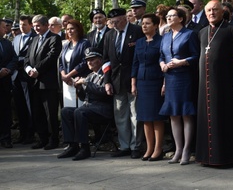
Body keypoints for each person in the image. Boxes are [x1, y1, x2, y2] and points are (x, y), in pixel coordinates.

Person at [196, 0, 233, 167]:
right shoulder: (202, 32)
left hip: (225, 85)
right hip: (205, 86)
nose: (212, 13)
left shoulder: (232, 30)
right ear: (205, 13)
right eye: (209, 10)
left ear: (222, 12)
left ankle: (228, 157)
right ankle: (207, 157)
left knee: (226, 119)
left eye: (215, 10)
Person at [159, 7, 199, 165]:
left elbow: (197, 56)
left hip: (184, 78)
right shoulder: (166, 36)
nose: (168, 18)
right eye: (167, 16)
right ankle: (178, 149)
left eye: (172, 16)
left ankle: (187, 150)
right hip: (169, 78)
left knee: (185, 114)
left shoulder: (189, 34)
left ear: (181, 18)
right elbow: (161, 55)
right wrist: (162, 64)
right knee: (173, 115)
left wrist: (182, 62)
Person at [58, 47, 114, 161]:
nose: (89, 62)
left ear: (100, 60)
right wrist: (79, 88)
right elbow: (85, 98)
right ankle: (72, 145)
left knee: (80, 112)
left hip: (103, 109)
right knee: (66, 111)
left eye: (92, 59)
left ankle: (84, 147)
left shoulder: (106, 74)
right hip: (90, 108)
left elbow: (104, 92)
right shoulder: (90, 75)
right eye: (88, 60)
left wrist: (86, 83)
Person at [103, 8, 145, 158]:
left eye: (115, 22)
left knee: (135, 114)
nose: (113, 25)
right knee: (120, 114)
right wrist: (107, 81)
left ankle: (136, 146)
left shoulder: (137, 31)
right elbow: (106, 60)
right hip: (116, 81)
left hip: (133, 80)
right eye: (111, 22)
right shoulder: (109, 35)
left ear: (124, 19)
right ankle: (125, 145)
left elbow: (141, 56)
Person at [131, 13, 166, 161]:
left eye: (147, 23)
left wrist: (165, 83)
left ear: (156, 25)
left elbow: (164, 60)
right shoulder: (139, 42)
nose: (144, 26)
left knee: (156, 117)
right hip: (141, 82)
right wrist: (133, 83)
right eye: (143, 23)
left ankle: (158, 149)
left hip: (156, 81)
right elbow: (135, 63)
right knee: (145, 117)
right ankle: (149, 148)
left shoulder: (162, 41)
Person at [24, 14, 62, 150]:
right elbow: (27, 57)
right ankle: (42, 138)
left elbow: (52, 56)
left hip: (48, 82)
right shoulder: (34, 40)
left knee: (50, 113)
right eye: (34, 26)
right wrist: (28, 69)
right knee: (37, 112)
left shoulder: (54, 38)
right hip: (34, 82)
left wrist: (37, 69)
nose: (36, 28)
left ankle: (54, 139)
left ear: (46, 25)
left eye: (38, 26)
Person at [12, 15, 36, 144]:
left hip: (28, 76)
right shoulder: (16, 39)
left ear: (31, 25)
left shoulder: (35, 38)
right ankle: (22, 133)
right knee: (19, 105)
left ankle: (31, 134)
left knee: (29, 105)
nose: (22, 27)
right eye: (20, 24)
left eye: (24, 24)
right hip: (16, 76)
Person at [59, 19, 91, 108]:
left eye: (72, 28)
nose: (69, 31)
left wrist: (69, 75)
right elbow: (61, 62)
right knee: (68, 108)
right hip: (67, 82)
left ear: (78, 29)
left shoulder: (85, 43)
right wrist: (64, 76)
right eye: (67, 29)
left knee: (79, 109)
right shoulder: (66, 44)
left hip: (78, 80)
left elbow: (84, 62)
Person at [0, 20, 17, 148]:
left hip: (5, 83)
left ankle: (6, 138)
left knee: (5, 112)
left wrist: (8, 70)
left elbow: (14, 58)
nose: (6, 28)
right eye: (3, 26)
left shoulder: (7, 43)